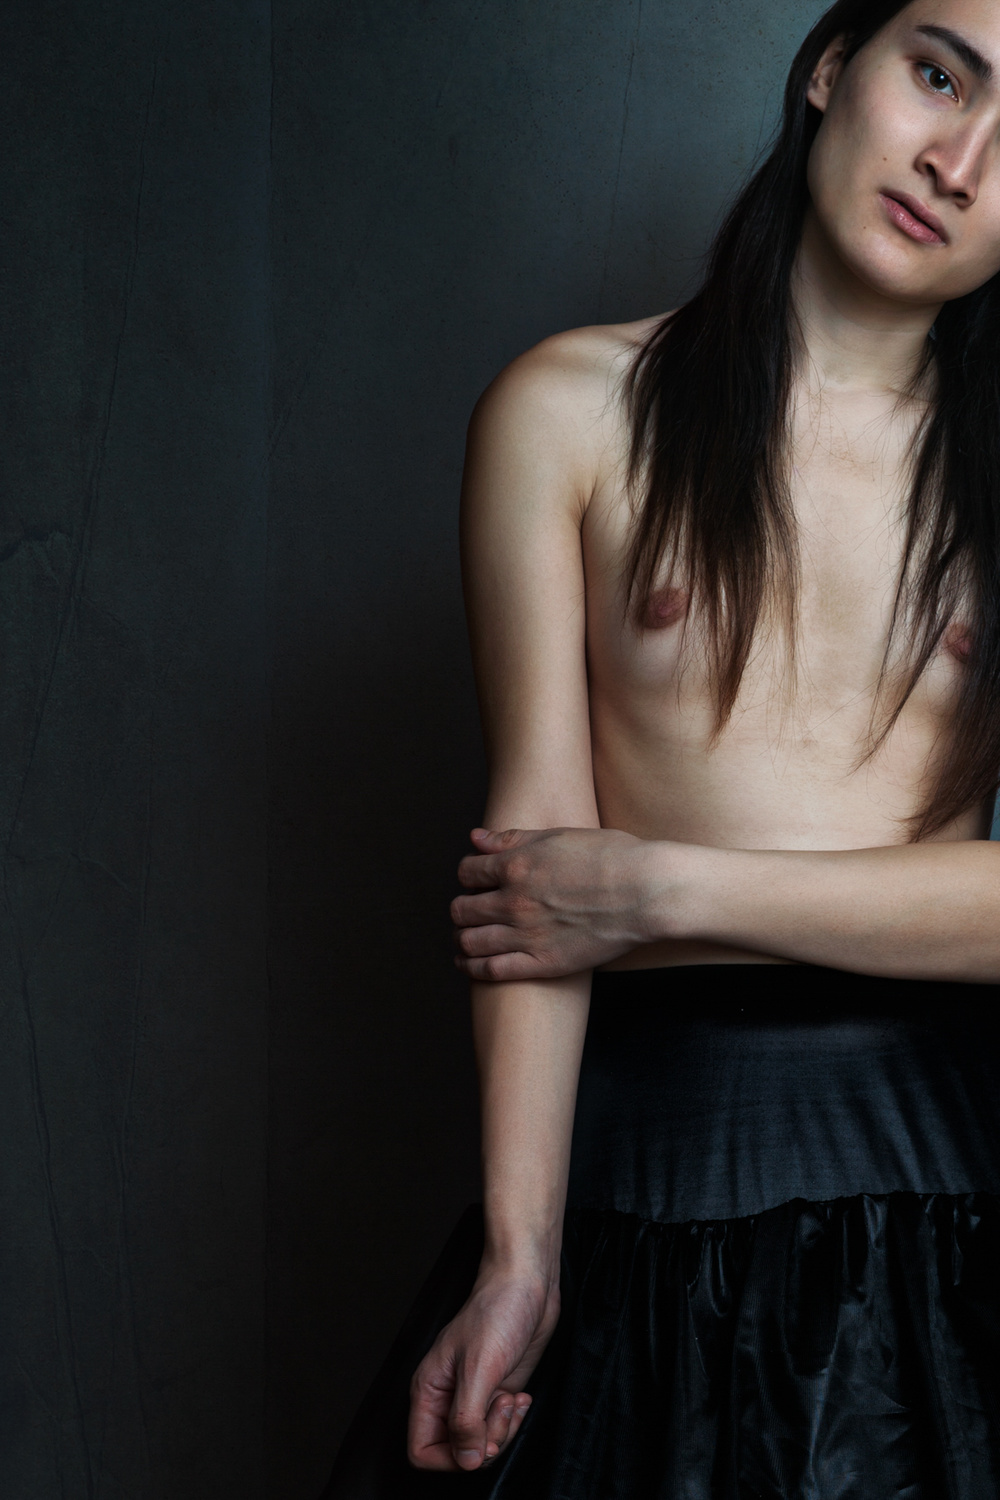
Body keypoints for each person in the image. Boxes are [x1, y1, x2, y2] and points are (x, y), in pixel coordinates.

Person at [325, 1, 1000, 1494]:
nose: (958, 166)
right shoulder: (566, 411)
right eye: (940, 75)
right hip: (641, 1177)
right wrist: (521, 1255)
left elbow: (594, 887)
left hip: (952, 1184)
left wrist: (660, 889)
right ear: (831, 65)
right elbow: (532, 874)